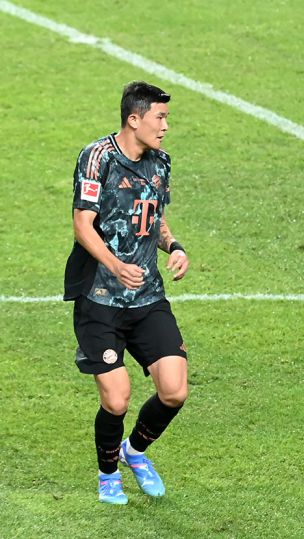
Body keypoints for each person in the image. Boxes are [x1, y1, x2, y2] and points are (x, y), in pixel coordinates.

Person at [64, 81, 190, 502]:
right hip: (99, 300)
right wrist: (115, 265)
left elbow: (154, 216)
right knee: (116, 399)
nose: (165, 126)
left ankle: (133, 451)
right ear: (134, 119)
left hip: (147, 298)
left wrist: (174, 246)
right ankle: (107, 476)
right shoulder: (97, 157)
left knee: (174, 390)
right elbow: (82, 225)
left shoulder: (160, 162)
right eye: (160, 117)